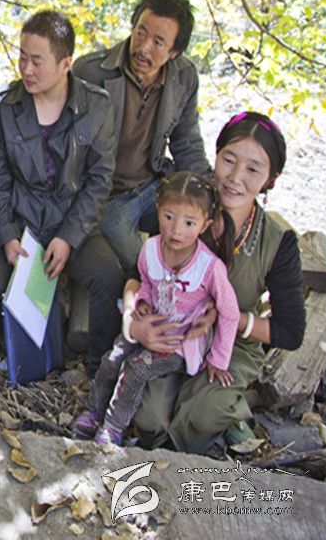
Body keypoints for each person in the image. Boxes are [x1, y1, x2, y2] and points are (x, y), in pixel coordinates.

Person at [131, 112, 306, 453]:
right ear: (216, 154)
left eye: (253, 169)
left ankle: (231, 411)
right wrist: (135, 325)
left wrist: (229, 317)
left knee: (201, 416)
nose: (235, 178)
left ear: (271, 178)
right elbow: (140, 274)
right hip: (173, 329)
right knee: (149, 420)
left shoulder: (277, 242)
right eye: (229, 160)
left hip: (233, 344)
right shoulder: (184, 206)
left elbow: (290, 332)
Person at [0, 11, 119, 372]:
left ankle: (97, 365)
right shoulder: (7, 106)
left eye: (37, 61)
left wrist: (69, 237)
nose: (26, 69)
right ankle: (27, 344)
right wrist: (6, 235)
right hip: (22, 218)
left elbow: (99, 182)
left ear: (66, 63)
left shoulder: (96, 107)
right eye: (22, 57)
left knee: (109, 277)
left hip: (71, 217)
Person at [72, 172, 240, 445]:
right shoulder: (150, 248)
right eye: (169, 217)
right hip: (148, 324)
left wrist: (218, 359)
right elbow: (147, 280)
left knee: (136, 368)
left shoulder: (209, 268)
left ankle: (113, 427)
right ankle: (93, 411)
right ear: (157, 209)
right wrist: (141, 303)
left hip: (178, 341)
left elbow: (230, 312)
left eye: (189, 223)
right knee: (113, 358)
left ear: (205, 225)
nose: (176, 230)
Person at [73, 0, 210, 268]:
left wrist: (207, 194)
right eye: (140, 33)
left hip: (153, 186)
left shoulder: (184, 77)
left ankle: (189, 285)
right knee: (119, 232)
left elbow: (187, 143)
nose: (144, 48)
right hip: (106, 193)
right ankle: (157, 281)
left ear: (174, 52)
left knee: (196, 224)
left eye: (158, 42)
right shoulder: (91, 72)